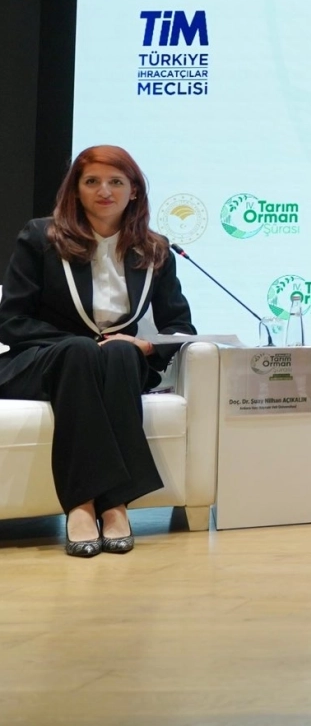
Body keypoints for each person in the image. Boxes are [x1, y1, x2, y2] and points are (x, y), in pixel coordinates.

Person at [0, 145, 196, 557]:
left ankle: (113, 506)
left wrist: (143, 344)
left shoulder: (155, 250)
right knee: (82, 352)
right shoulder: (41, 237)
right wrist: (87, 344)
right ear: (76, 189)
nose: (104, 191)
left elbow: (180, 327)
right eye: (92, 181)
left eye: (116, 182)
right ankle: (83, 505)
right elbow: (12, 321)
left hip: (117, 363)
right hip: (45, 360)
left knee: (120, 354)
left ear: (134, 191)